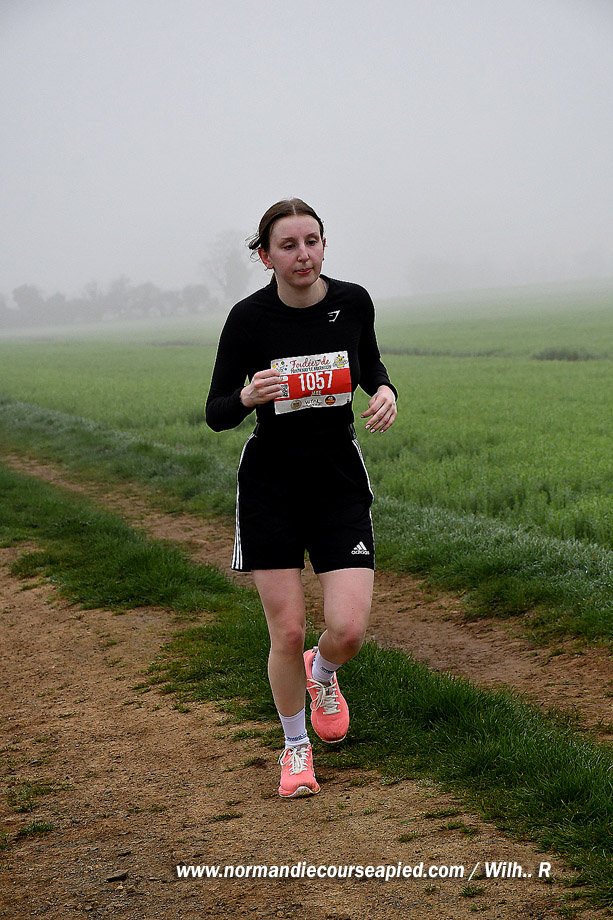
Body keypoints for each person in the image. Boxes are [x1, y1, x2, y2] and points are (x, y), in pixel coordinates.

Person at [206, 198, 397, 798]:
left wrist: (385, 390)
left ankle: (326, 670)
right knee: (287, 632)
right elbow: (216, 411)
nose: (303, 254)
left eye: (311, 241)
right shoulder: (248, 319)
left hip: (338, 481)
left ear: (323, 245)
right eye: (287, 245)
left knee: (348, 630)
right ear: (266, 256)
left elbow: (368, 364)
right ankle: (295, 749)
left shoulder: (353, 302)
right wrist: (247, 397)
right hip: (271, 486)